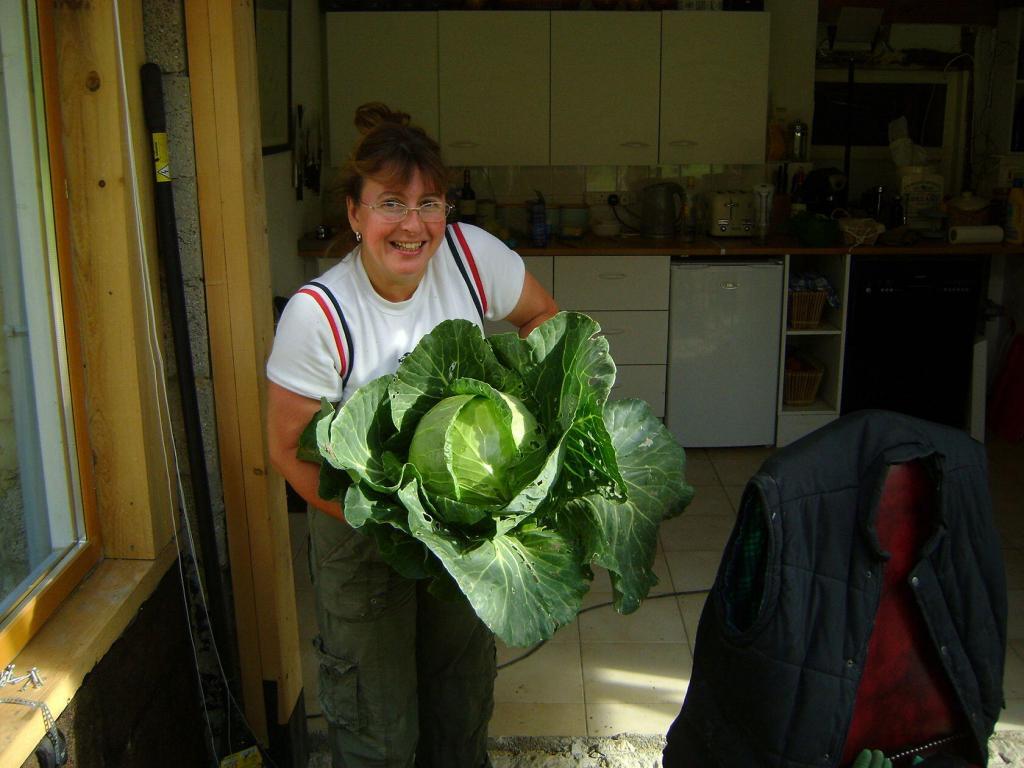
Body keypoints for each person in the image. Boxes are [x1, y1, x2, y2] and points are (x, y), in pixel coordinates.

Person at [265, 102, 558, 768]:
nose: (413, 224)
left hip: (462, 527)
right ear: (354, 214)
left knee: (458, 710)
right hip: (361, 535)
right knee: (379, 731)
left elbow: (543, 318)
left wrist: (528, 431)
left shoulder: (470, 256)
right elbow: (286, 450)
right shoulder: (319, 316)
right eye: (391, 203)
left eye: (430, 203)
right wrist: (391, 525)